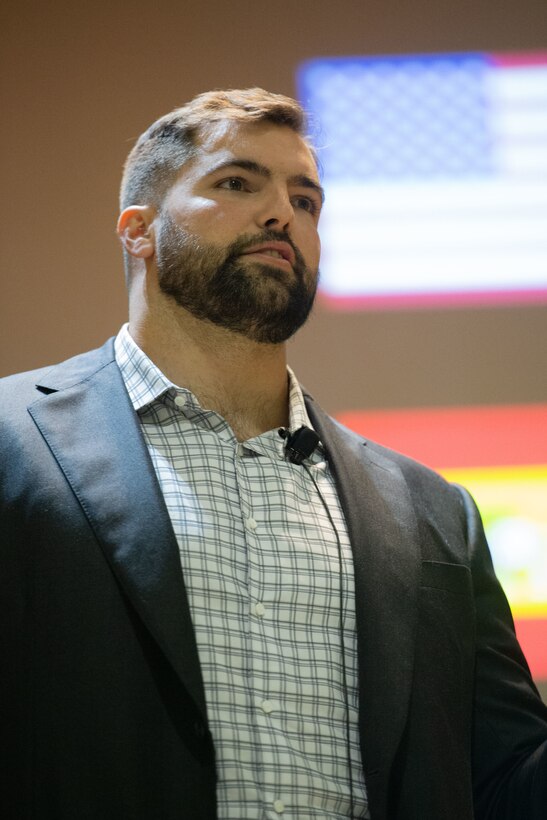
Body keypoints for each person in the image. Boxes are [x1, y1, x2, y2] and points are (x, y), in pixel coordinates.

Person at [1, 87, 546, 820]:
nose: (282, 214)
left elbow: (504, 783)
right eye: (237, 183)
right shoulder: (13, 443)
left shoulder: (432, 512)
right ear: (138, 230)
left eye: (306, 200)